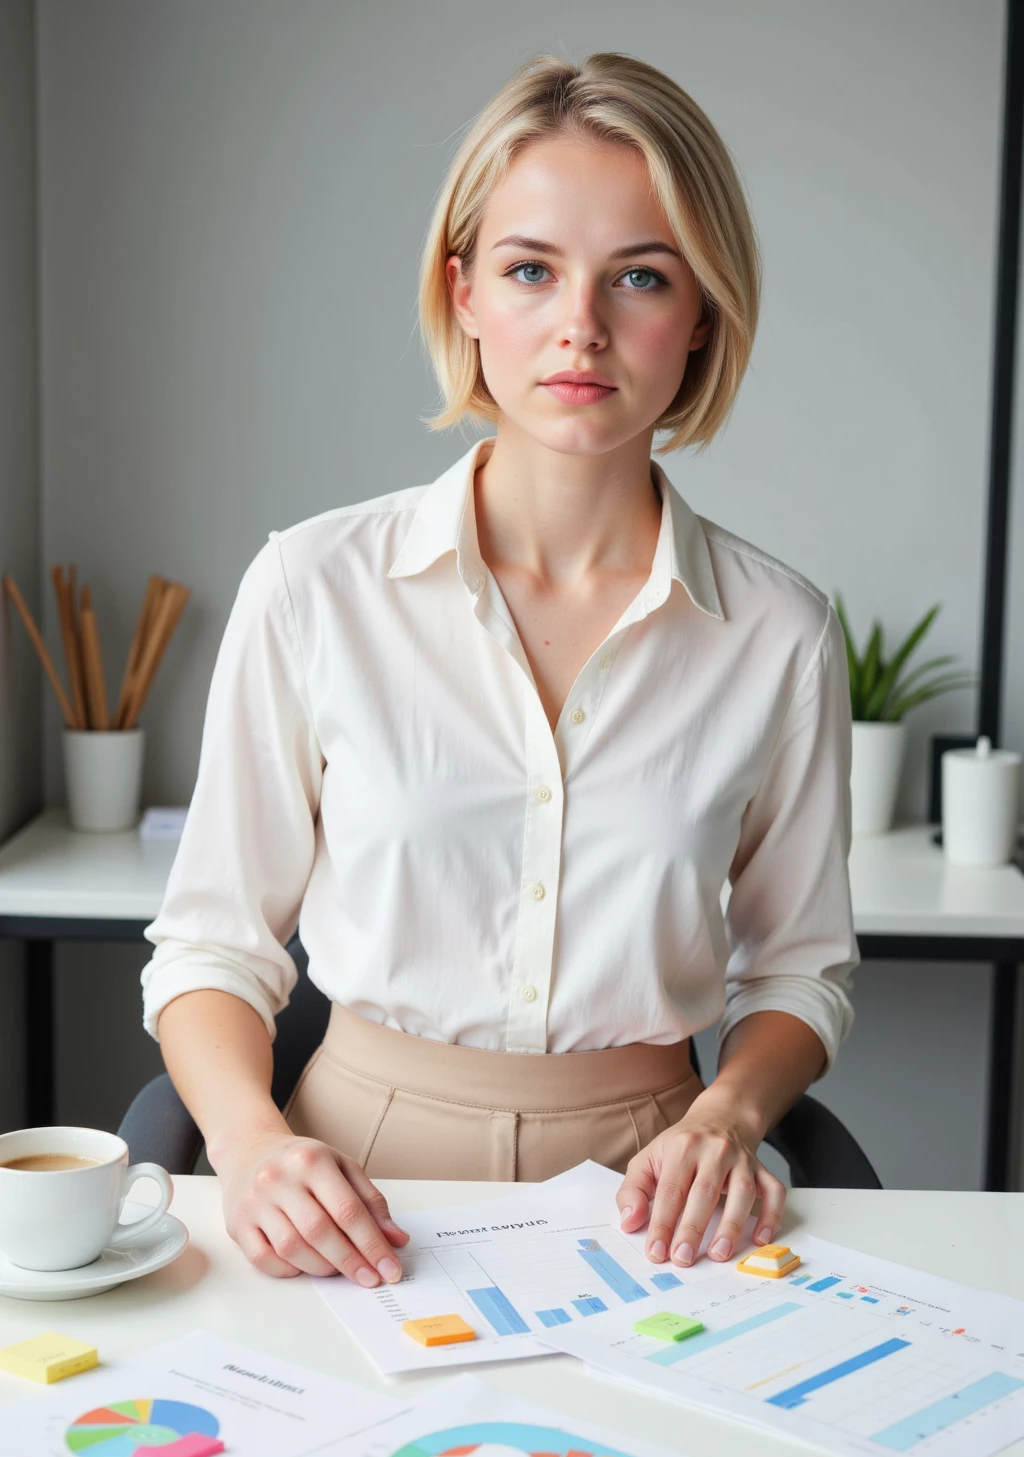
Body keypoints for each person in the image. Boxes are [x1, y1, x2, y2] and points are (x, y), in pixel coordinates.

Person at [141, 51, 859, 1288]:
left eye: (640, 276)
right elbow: (210, 949)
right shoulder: (314, 588)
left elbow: (799, 967)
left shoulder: (778, 633)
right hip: (343, 1185)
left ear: (701, 317)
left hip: (649, 1194)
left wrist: (729, 1114)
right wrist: (251, 1143)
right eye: (532, 270)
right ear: (465, 294)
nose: (580, 325)